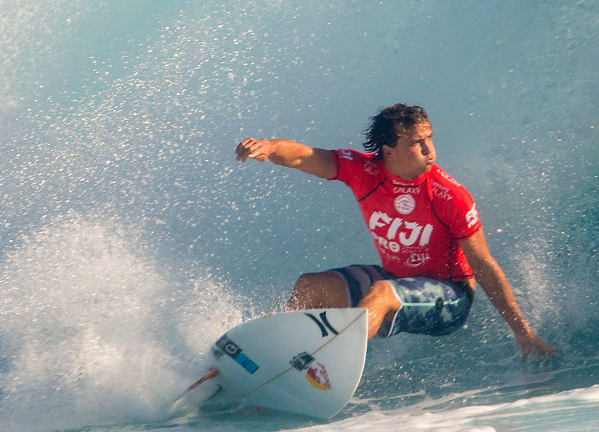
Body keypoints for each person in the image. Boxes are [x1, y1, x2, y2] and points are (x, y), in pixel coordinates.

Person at [235, 104, 556, 360]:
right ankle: (278, 359)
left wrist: (522, 332)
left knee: (383, 294)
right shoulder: (364, 172)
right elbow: (306, 156)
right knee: (310, 286)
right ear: (388, 151)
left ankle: (320, 364)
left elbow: (484, 265)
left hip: (451, 297)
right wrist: (269, 147)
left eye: (429, 138)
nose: (429, 148)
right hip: (397, 279)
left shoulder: (449, 196)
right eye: (417, 142)